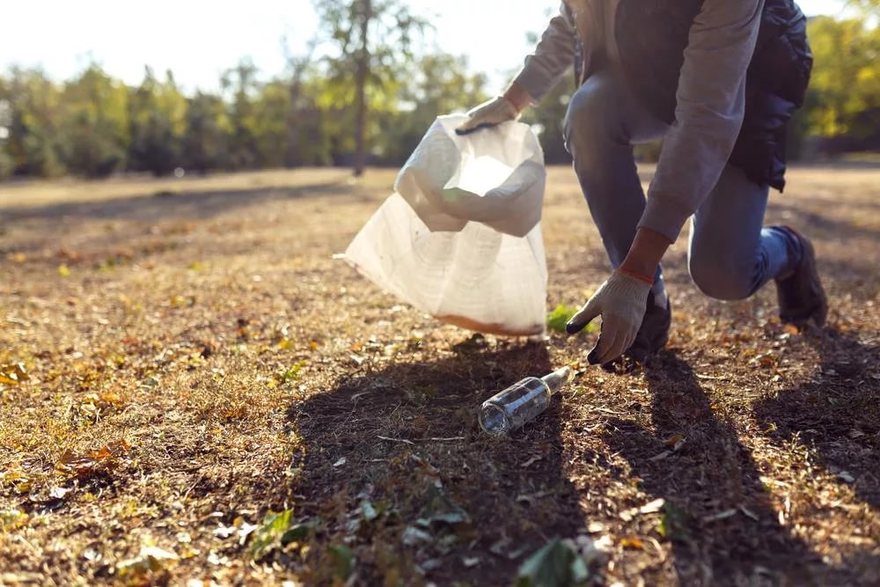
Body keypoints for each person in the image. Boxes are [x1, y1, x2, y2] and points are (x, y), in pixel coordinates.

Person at [457, 0, 826, 367]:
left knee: (724, 274)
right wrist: (512, 100)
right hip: (653, 67)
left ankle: (791, 250)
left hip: (747, 73)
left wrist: (638, 267)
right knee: (589, 113)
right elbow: (573, 17)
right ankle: (648, 301)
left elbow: (706, 115)